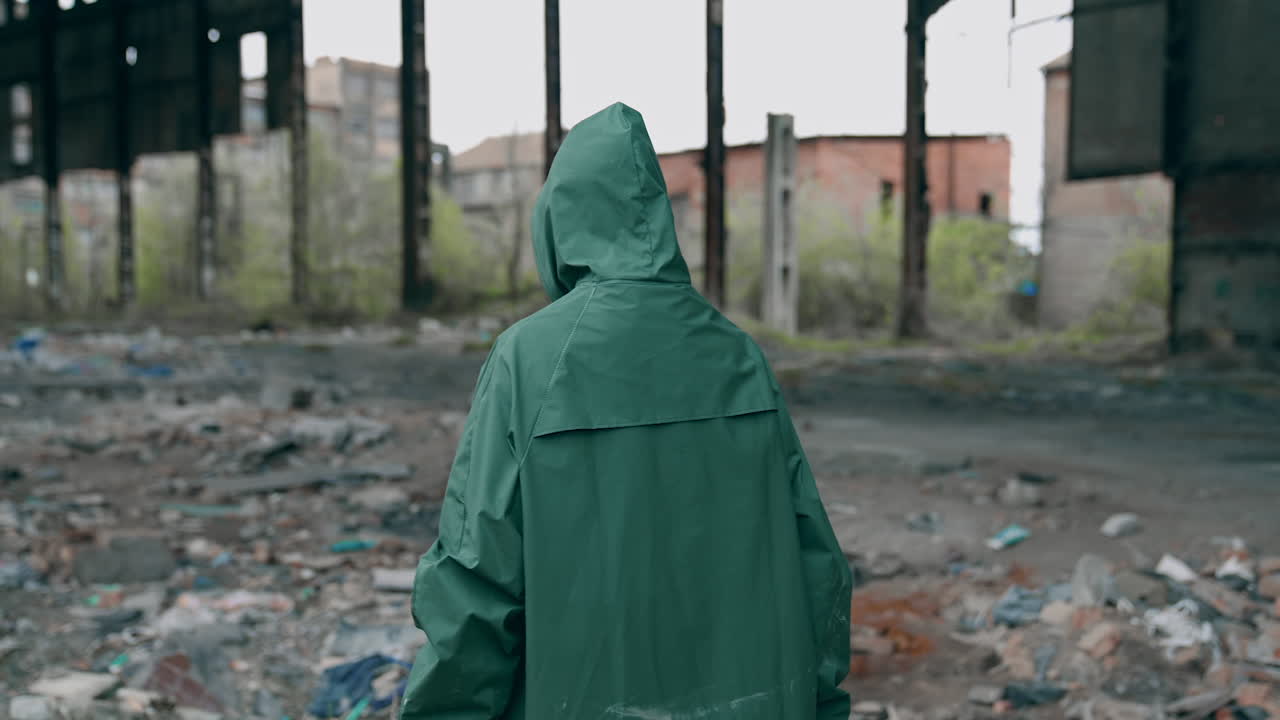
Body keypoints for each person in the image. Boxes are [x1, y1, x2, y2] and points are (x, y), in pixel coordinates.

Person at [400, 102, 851, 719]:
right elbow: (817, 568)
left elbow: (474, 584)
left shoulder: (529, 362)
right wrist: (821, 704)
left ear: (557, 221)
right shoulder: (739, 356)